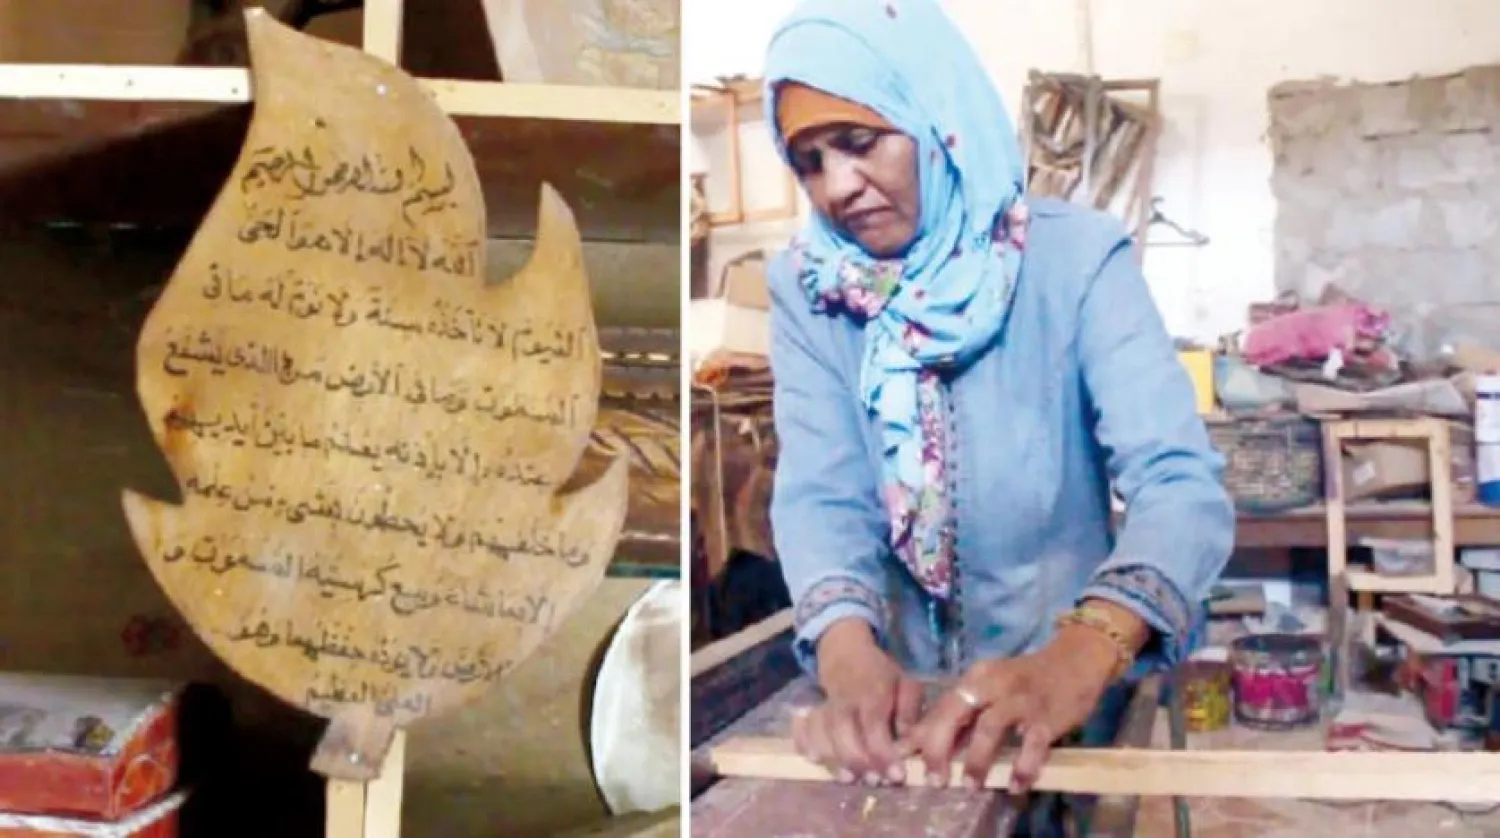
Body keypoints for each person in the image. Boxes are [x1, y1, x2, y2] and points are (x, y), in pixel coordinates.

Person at [761, 0, 1234, 828]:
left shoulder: (1075, 260)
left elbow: (1178, 486)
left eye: (862, 141)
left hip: (1066, 702)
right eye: (809, 160)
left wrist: (1084, 652)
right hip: (908, 727)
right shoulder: (814, 289)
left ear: (936, 118)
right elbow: (820, 494)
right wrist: (848, 656)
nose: (838, 185)